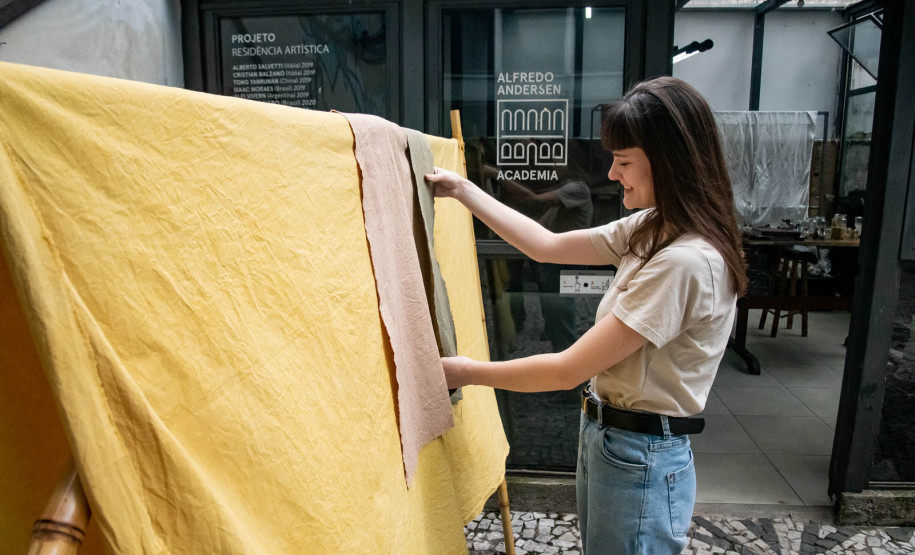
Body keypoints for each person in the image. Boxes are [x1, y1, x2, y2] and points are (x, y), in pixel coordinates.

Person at [425, 76, 747, 554]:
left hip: (640, 453)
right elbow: (546, 245)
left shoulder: (684, 261)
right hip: (609, 437)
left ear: (670, 163)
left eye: (623, 162)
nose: (613, 175)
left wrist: (462, 372)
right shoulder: (654, 227)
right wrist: (463, 189)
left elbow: (566, 369)